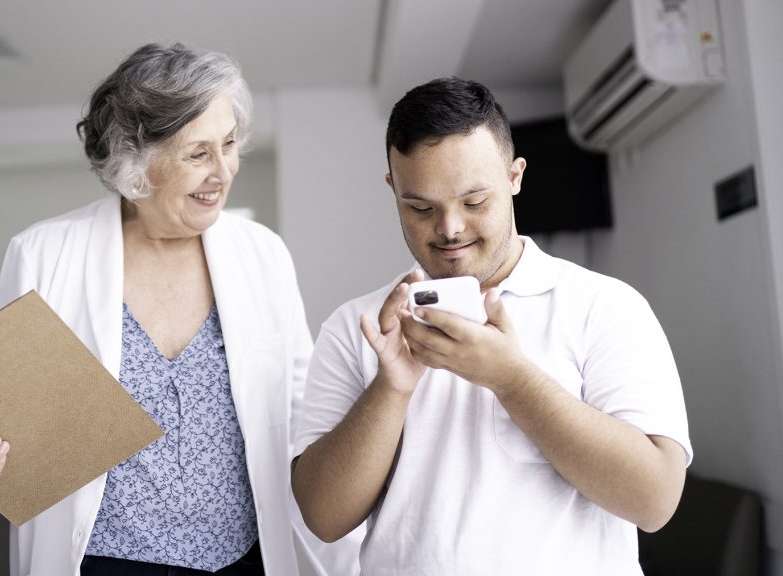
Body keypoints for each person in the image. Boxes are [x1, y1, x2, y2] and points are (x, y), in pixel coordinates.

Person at [0, 42, 353, 576]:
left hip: (245, 562)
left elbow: (302, 417)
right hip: (97, 564)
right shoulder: (44, 255)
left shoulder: (262, 254)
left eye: (230, 144)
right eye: (198, 154)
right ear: (135, 161)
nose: (224, 171)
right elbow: (3, 432)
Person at [290, 77, 692, 575]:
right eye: (420, 208)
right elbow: (323, 519)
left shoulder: (604, 306)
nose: (450, 228)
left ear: (515, 176)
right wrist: (389, 389)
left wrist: (512, 379)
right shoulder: (359, 327)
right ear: (393, 188)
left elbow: (654, 501)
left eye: (474, 201)